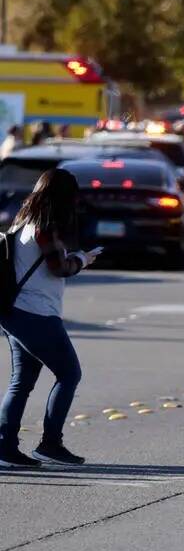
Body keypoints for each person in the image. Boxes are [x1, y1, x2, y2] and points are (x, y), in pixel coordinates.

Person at [0, 170, 102, 467]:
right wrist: (83, 259)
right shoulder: (47, 225)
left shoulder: (23, 220)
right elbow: (60, 267)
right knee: (69, 373)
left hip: (15, 312)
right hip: (37, 315)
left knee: (22, 381)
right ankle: (50, 444)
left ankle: (6, 447)